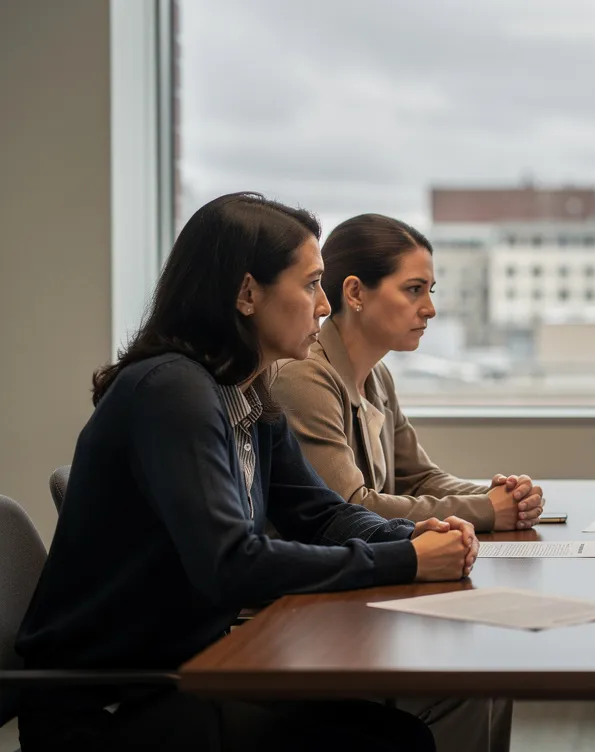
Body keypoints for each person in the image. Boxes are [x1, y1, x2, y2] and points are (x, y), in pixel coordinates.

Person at [16, 193, 476, 752]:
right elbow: (230, 564)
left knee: (389, 729)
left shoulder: (245, 392)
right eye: (310, 286)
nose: (325, 307)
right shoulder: (172, 393)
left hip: (187, 672)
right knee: (388, 739)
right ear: (247, 293)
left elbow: (322, 515)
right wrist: (406, 559)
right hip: (109, 706)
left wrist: (416, 537)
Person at [271, 213, 535, 751]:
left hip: (366, 586)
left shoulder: (377, 372)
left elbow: (419, 474)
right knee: (474, 678)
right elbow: (351, 504)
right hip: (314, 611)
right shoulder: (305, 375)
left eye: (430, 291)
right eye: (414, 290)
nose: (430, 309)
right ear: (355, 292)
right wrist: (487, 510)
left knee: (494, 671)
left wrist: (497, 493)